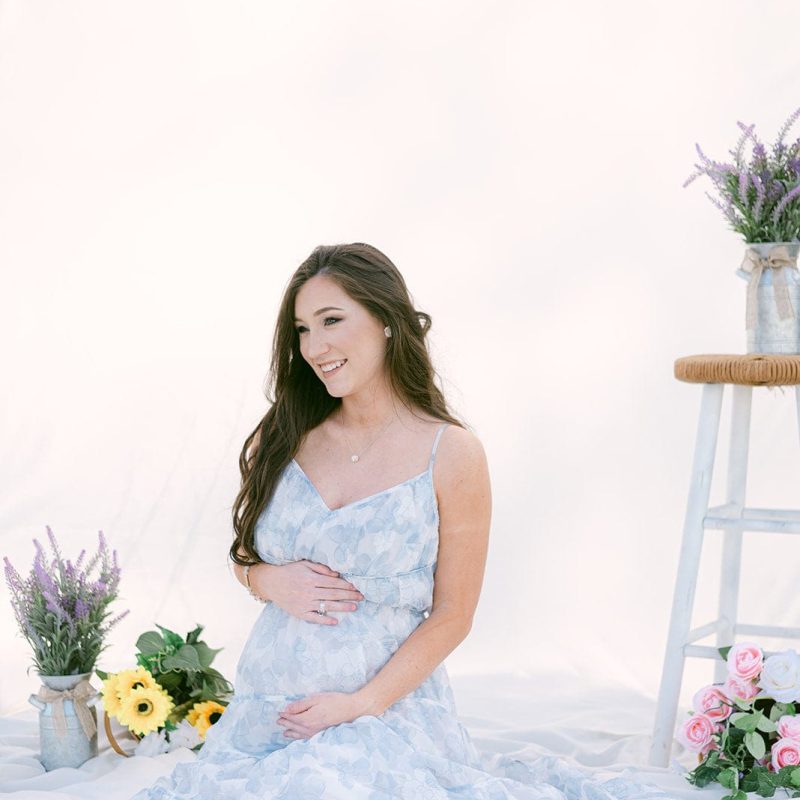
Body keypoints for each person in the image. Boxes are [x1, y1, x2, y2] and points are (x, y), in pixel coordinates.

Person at [131, 243, 668, 799]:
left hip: (383, 713)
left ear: (386, 322)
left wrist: (362, 704)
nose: (316, 347)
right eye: (303, 330)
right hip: (268, 714)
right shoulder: (284, 435)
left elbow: (454, 614)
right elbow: (245, 557)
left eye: (332, 320)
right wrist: (265, 579)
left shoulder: (451, 453)